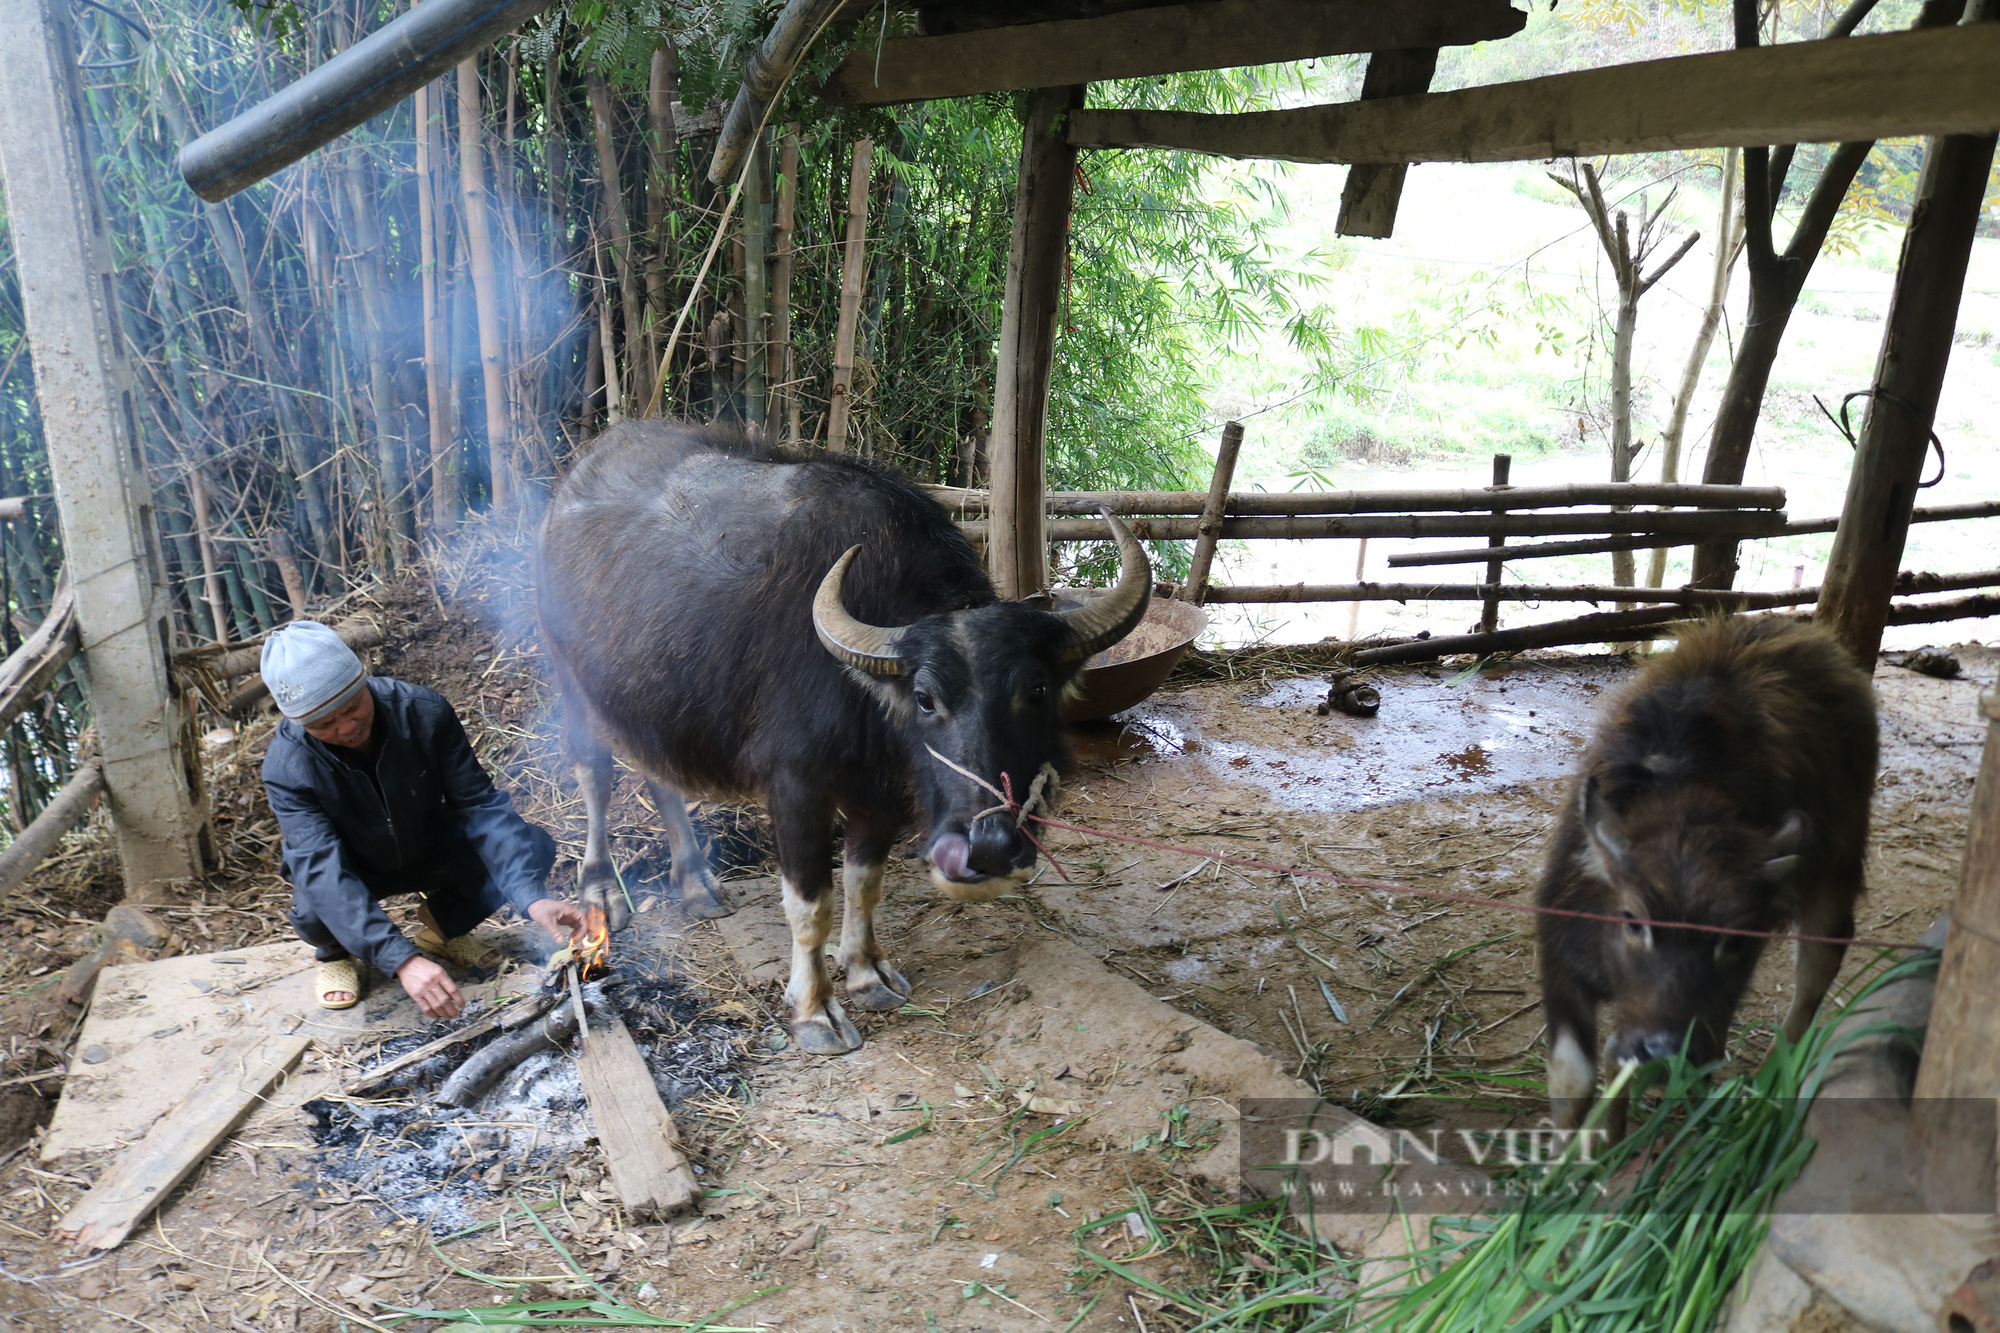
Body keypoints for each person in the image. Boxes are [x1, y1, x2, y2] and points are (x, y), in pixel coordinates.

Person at [259, 621, 585, 1017]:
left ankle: (440, 929)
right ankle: (336, 953)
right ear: (299, 722)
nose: (346, 728)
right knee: (314, 906)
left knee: (530, 847)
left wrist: (530, 896)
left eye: (351, 708)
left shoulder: (423, 712)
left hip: (426, 845)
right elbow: (321, 868)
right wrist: (401, 959)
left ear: (364, 679)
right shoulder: (287, 765)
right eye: (323, 724)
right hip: (353, 865)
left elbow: (479, 805)